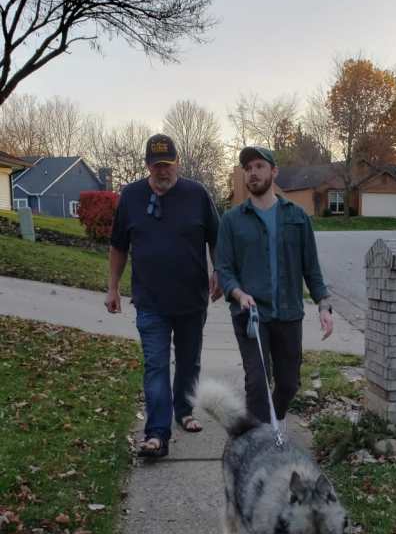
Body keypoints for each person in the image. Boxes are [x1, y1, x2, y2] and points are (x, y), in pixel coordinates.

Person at [106, 133, 221, 459]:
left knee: (188, 361)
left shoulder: (197, 194)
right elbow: (118, 246)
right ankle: (156, 434)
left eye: (168, 164)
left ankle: (184, 410)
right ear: (147, 165)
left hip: (191, 299)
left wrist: (220, 270)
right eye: (156, 165)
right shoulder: (131, 197)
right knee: (155, 366)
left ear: (177, 163)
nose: (162, 171)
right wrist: (113, 287)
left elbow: (217, 237)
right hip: (150, 301)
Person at [215, 145, 333, 427]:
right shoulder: (231, 220)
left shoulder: (297, 217)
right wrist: (238, 293)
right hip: (251, 314)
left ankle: (271, 424)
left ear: (274, 171)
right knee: (257, 383)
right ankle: (259, 439)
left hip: (289, 314)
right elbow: (224, 268)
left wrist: (324, 305)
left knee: (290, 384)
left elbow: (311, 268)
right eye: (248, 168)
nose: (253, 173)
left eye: (259, 166)